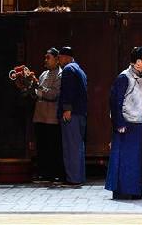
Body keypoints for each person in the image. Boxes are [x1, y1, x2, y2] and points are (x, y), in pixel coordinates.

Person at [105, 46, 142, 200]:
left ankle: (134, 190)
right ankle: (122, 191)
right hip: (125, 124)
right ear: (138, 62)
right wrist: (119, 124)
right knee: (123, 159)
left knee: (135, 160)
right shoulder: (124, 77)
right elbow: (115, 101)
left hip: (138, 124)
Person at [30, 47, 64, 183]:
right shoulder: (44, 74)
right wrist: (30, 87)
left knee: (52, 147)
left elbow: (53, 94)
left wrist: (38, 87)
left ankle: (53, 173)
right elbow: (38, 93)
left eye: (48, 58)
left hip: (51, 118)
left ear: (57, 60)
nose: (45, 60)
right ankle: (43, 173)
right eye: (45, 57)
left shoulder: (60, 75)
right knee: (41, 146)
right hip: (40, 116)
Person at [58, 46, 88, 186]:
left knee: (71, 147)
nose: (59, 61)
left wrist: (67, 109)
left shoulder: (68, 69)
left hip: (72, 113)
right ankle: (79, 177)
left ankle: (73, 178)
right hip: (80, 113)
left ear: (65, 57)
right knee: (78, 145)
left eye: (59, 58)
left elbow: (68, 91)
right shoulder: (79, 69)